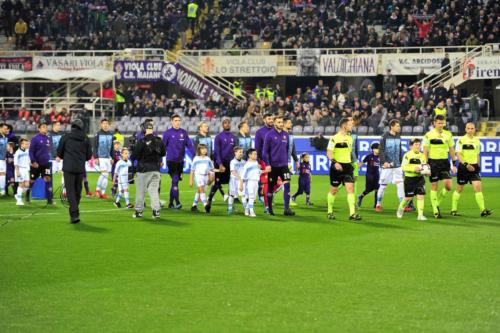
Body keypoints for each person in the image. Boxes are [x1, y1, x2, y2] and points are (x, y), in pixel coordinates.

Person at [451, 122, 492, 217]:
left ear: (474, 130)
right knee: (459, 189)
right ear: (465, 129)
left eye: (472, 128)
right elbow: (458, 154)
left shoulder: (477, 141)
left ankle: (483, 210)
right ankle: (453, 209)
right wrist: (466, 164)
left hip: (474, 168)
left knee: (477, 187)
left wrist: (478, 166)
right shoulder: (461, 140)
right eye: (468, 128)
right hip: (464, 168)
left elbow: (477, 154)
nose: (470, 130)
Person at [56, 119, 93, 223]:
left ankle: (74, 214)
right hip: (80, 168)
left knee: (70, 191)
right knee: (78, 191)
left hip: (68, 168)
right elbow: (89, 155)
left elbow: (59, 152)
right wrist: (81, 159)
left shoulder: (65, 137)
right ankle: (74, 212)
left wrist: (67, 157)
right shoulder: (85, 138)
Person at [326, 117, 361, 221]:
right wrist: (335, 162)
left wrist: (353, 164)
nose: (352, 126)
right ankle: (329, 211)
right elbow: (329, 152)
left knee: (350, 189)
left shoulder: (350, 138)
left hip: (347, 167)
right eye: (350, 124)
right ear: (344, 126)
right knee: (334, 190)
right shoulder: (334, 138)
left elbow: (349, 153)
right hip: (337, 167)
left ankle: (352, 213)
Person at [423, 115, 457, 218]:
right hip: (433, 162)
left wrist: (454, 163)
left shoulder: (448, 134)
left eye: (442, 123)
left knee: (448, 186)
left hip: (444, 162)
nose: (441, 125)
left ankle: (436, 203)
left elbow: (451, 149)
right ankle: (435, 210)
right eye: (439, 123)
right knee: (434, 186)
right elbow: (425, 150)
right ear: (434, 123)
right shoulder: (428, 135)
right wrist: (425, 164)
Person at [262, 116, 295, 216]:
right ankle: (270, 209)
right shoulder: (269, 135)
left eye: (282, 122)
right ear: (275, 123)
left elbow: (287, 150)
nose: (281, 124)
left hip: (284, 165)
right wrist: (267, 164)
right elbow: (264, 152)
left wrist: (288, 162)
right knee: (271, 187)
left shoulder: (286, 135)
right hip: (273, 166)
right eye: (279, 122)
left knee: (287, 185)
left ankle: (286, 209)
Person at [132, 122, 166, 219]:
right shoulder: (159, 140)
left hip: (143, 170)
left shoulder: (141, 141)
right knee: (154, 192)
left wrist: (134, 148)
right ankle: (156, 212)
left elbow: (134, 156)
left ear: (144, 129)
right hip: (156, 170)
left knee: (140, 192)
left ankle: (138, 211)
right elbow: (163, 153)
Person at [162, 114, 195, 209]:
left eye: (179, 120)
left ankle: (171, 203)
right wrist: (160, 159)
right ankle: (177, 202)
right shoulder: (167, 133)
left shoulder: (184, 133)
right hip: (171, 161)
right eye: (176, 120)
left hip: (180, 162)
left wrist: (195, 156)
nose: (178, 122)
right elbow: (162, 147)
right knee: (175, 180)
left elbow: (190, 145)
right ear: (172, 122)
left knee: (174, 182)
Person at [206, 118, 238, 213]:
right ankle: (209, 201)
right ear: (222, 125)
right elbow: (216, 152)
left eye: (228, 123)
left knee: (231, 185)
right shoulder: (218, 137)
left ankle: (230, 206)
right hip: (221, 164)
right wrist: (220, 164)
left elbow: (236, 152)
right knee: (217, 184)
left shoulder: (234, 137)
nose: (227, 124)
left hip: (231, 165)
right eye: (225, 123)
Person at [376, 119, 405, 212]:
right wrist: (384, 162)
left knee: (400, 184)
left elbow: (400, 150)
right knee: (383, 185)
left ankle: (402, 205)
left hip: (397, 165)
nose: (399, 127)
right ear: (392, 126)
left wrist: (401, 162)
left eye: (399, 126)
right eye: (397, 126)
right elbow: (381, 150)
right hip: (387, 166)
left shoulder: (398, 136)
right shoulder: (384, 136)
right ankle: (378, 204)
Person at [397, 138, 428, 221]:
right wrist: (414, 169)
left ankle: (420, 215)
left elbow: (424, 167)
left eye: (419, 144)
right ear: (411, 146)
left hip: (420, 179)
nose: (418, 146)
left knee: (420, 196)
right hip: (409, 179)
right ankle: (401, 208)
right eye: (416, 144)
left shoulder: (422, 156)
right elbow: (403, 167)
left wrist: (427, 172)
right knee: (408, 198)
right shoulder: (407, 155)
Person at [29, 122, 53, 205]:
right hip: (36, 164)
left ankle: (49, 200)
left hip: (45, 164)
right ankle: (27, 196)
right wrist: (33, 161)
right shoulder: (35, 138)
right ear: (39, 129)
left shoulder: (47, 138)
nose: (45, 128)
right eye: (43, 127)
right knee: (32, 180)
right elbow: (31, 151)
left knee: (48, 179)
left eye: (46, 127)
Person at [254, 113, 274, 212]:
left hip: (276, 161)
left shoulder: (277, 130)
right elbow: (257, 147)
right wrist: (257, 160)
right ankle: (267, 206)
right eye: (269, 118)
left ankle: (267, 196)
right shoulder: (260, 132)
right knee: (266, 183)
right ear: (264, 120)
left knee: (279, 182)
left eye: (272, 118)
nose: (271, 120)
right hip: (264, 161)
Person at [189, 144, 215, 213]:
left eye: (205, 149)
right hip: (198, 176)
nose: (204, 150)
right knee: (201, 190)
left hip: (205, 176)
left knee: (199, 190)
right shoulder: (196, 158)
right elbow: (192, 170)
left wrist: (219, 170)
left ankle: (194, 206)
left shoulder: (208, 159)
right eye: (202, 149)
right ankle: (206, 205)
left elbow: (212, 169)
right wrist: (191, 180)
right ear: (199, 150)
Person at [94, 119, 114, 199]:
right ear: (101, 125)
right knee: (104, 173)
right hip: (101, 157)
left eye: (107, 123)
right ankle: (97, 190)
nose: (105, 125)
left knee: (106, 174)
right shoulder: (98, 134)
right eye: (104, 123)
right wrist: (96, 157)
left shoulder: (111, 134)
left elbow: (112, 147)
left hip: (108, 158)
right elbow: (95, 146)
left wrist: (112, 157)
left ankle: (103, 193)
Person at [357, 142, 380, 208]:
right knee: (368, 189)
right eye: (377, 148)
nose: (379, 150)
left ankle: (376, 204)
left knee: (377, 189)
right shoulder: (369, 156)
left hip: (377, 175)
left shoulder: (381, 157)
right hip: (370, 176)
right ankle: (361, 196)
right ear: (373, 149)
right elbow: (361, 163)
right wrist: (356, 168)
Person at [240, 148, 260, 217]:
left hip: (256, 182)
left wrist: (265, 170)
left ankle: (246, 209)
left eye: (256, 154)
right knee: (251, 197)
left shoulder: (256, 162)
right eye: (254, 154)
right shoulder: (247, 165)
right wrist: (241, 185)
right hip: (250, 182)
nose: (256, 155)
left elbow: (258, 172)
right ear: (249, 155)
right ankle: (251, 212)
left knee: (253, 198)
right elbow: (242, 176)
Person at [228, 146, 245, 214]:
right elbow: (233, 172)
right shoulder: (233, 162)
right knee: (232, 195)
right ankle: (230, 209)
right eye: (240, 152)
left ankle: (246, 209)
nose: (241, 153)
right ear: (235, 153)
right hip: (233, 180)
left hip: (241, 180)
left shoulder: (244, 162)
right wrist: (240, 177)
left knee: (243, 194)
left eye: (242, 152)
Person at [49, 121, 64, 196]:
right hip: (52, 159)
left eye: (59, 125)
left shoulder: (62, 134)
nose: (59, 126)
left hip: (61, 158)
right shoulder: (49, 135)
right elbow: (50, 147)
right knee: (49, 175)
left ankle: (64, 192)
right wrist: (55, 156)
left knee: (64, 173)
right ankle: (49, 191)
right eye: (58, 125)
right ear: (53, 126)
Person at [14, 138, 30, 206]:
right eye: (26, 144)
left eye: (28, 144)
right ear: (22, 144)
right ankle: (19, 201)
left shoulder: (27, 151)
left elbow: (29, 160)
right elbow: (15, 163)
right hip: (20, 169)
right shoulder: (17, 152)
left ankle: (17, 195)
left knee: (27, 185)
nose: (27, 145)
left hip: (26, 170)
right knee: (21, 185)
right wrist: (17, 171)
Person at [0, 123, 9, 195]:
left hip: (3, 159)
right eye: (5, 128)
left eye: (7, 129)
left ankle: (2, 189)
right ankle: (2, 189)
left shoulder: (5, 137)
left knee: (3, 174)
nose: (6, 130)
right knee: (2, 174)